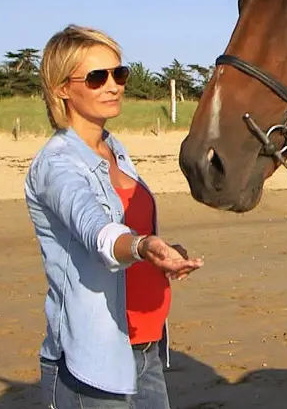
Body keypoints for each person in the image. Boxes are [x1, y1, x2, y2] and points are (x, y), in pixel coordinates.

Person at [24, 24, 204, 407]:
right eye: (96, 77)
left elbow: (131, 234)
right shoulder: (57, 165)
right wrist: (142, 245)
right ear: (61, 88)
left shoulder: (115, 149)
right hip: (91, 364)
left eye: (119, 73)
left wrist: (162, 253)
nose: (113, 85)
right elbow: (97, 230)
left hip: (144, 348)